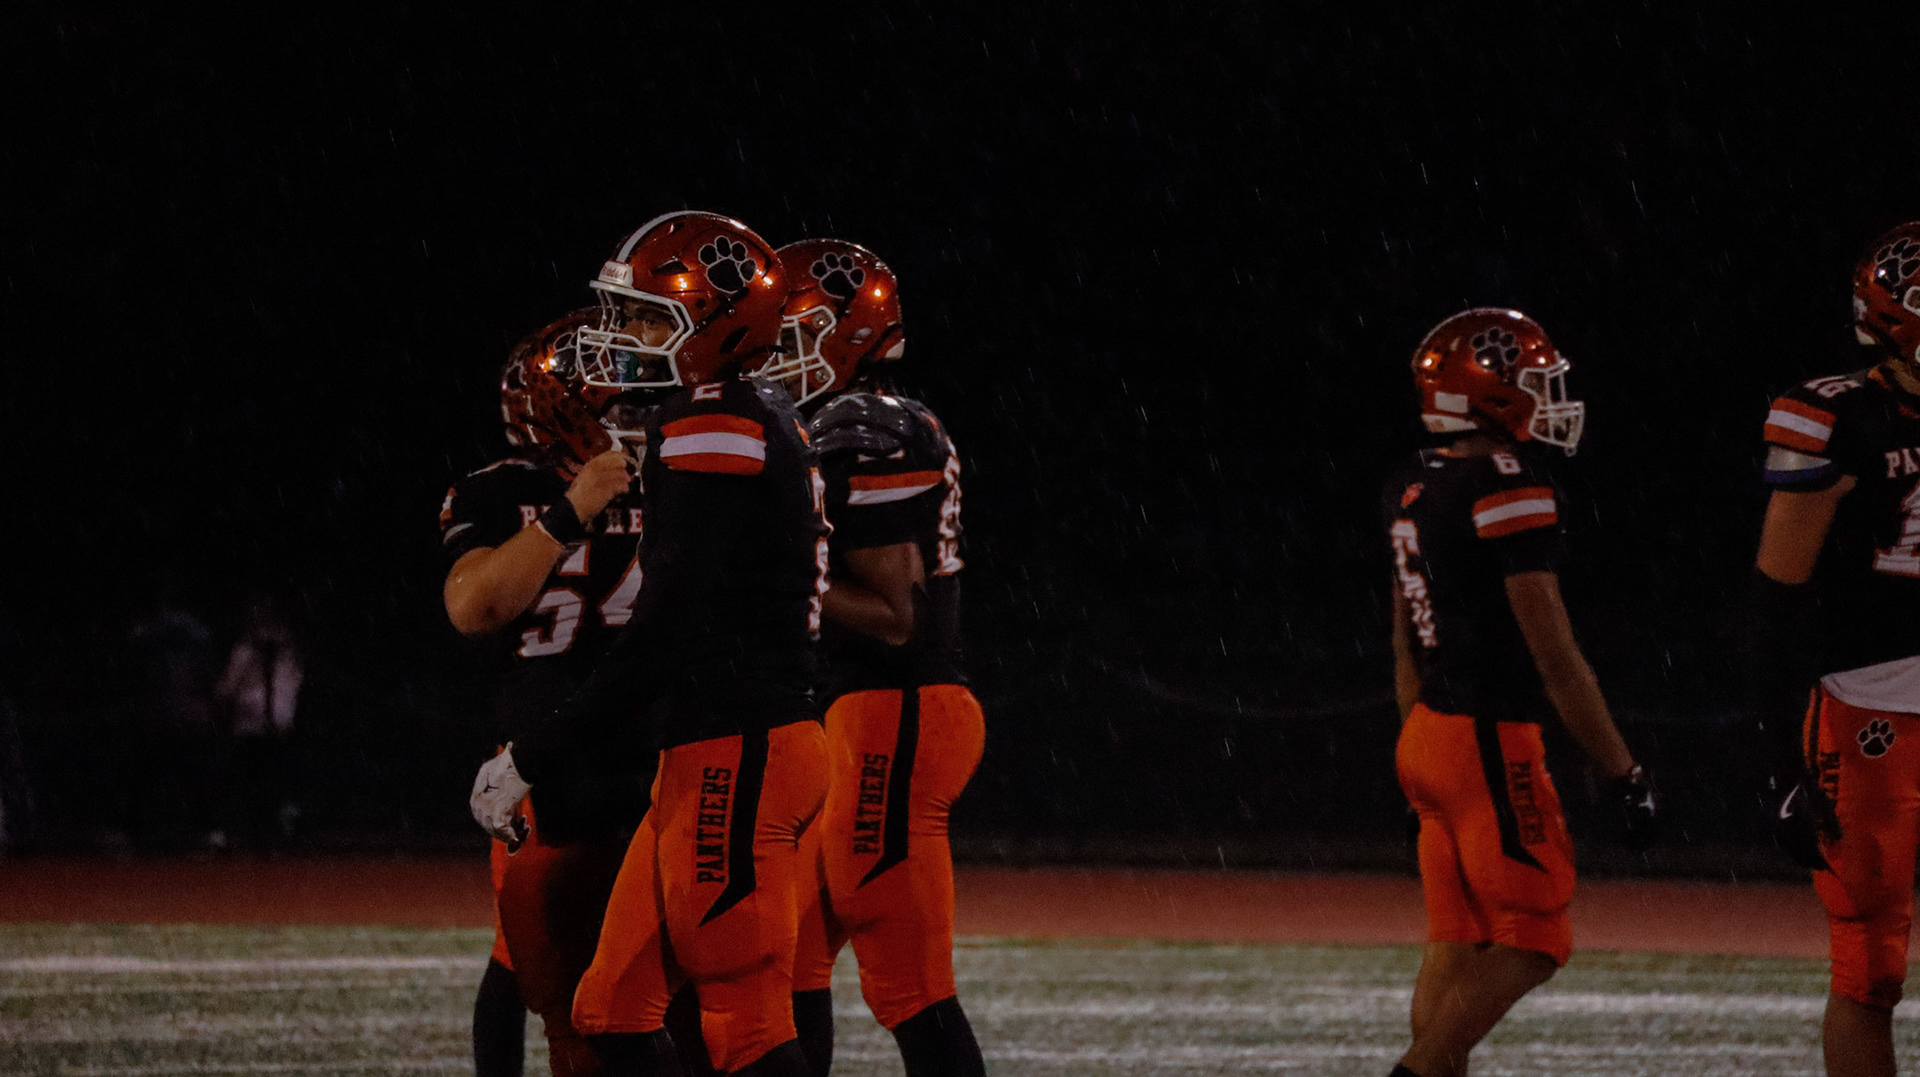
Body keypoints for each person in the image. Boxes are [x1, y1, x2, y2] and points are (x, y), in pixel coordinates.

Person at [470, 211, 829, 1077]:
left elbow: (666, 627)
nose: (622, 334)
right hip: (710, 739)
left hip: (738, 741)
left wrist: (533, 754)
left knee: (745, 1020)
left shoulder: (716, 420)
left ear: (716, 322)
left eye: (642, 315)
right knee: (612, 1008)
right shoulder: (741, 411)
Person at [1383, 308, 1656, 1077]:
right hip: (1485, 734)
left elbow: (1404, 639)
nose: (1549, 396)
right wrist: (1622, 769)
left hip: (1428, 728)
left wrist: (1415, 741)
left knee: (1457, 940)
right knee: (1537, 937)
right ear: (1488, 390)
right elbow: (1556, 656)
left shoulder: (1413, 478)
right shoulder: (1505, 484)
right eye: (1534, 381)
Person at [758, 239, 985, 1077]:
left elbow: (896, 616)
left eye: (794, 336)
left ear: (849, 335)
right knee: (791, 956)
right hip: (864, 711)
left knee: (909, 983)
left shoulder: (865, 427)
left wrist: (780, 580)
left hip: (898, 706)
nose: (777, 354)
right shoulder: (845, 422)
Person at [442, 308, 661, 1077]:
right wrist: (571, 513)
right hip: (551, 773)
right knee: (554, 994)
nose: (644, 405)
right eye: (627, 391)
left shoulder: (677, 478)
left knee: (684, 992)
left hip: (658, 761)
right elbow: (474, 606)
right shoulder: (502, 490)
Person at [1753, 222, 1920, 1077]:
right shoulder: (1837, 414)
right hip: (1870, 711)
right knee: (1870, 968)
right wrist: (1779, 757)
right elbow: (1778, 594)